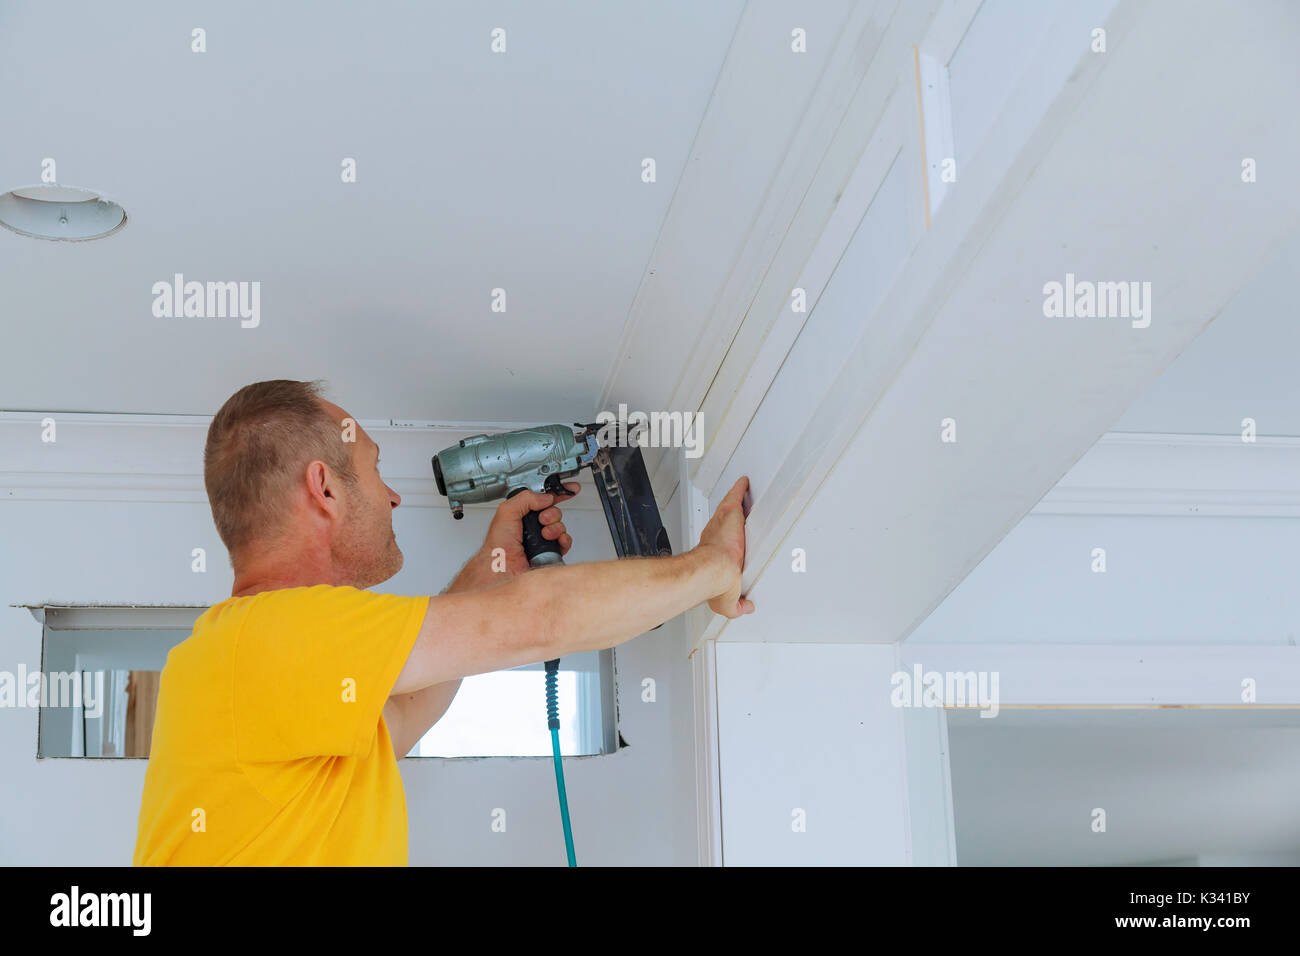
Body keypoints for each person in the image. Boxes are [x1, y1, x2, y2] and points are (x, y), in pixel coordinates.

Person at [133, 379, 753, 865]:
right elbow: (537, 622)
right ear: (323, 488)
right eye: (374, 470)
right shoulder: (274, 635)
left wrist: (494, 565)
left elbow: (410, 710)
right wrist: (712, 567)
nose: (392, 496)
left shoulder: (259, 660)